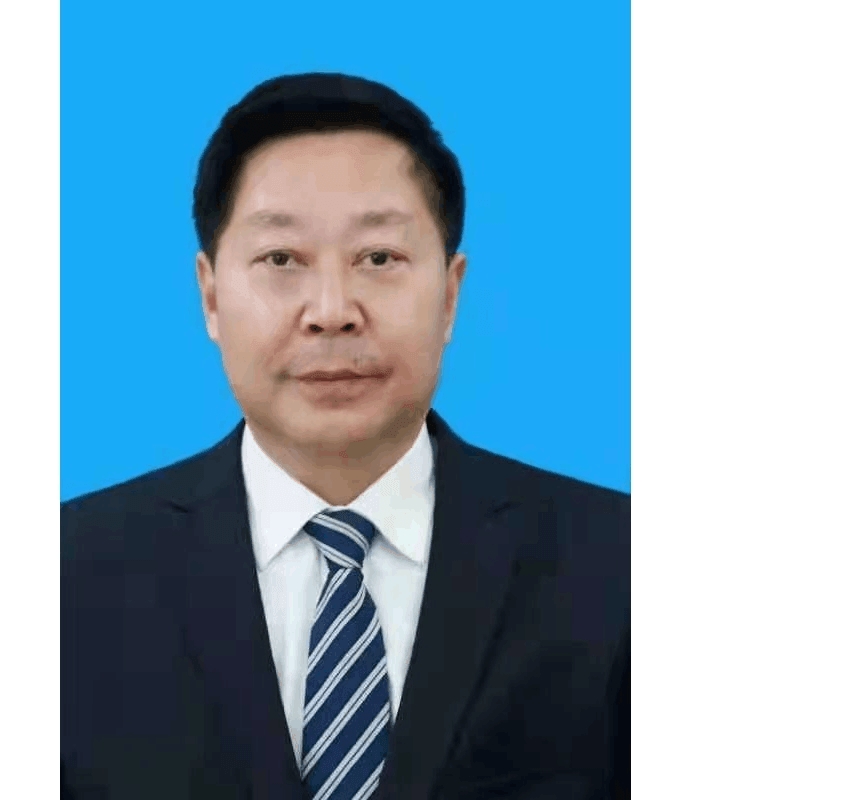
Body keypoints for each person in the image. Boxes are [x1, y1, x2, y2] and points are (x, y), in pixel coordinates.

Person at [61, 72, 630, 800]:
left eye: (378, 258)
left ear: (450, 294)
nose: (331, 310)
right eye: (281, 260)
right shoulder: (68, 577)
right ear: (210, 295)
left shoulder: (618, 566)